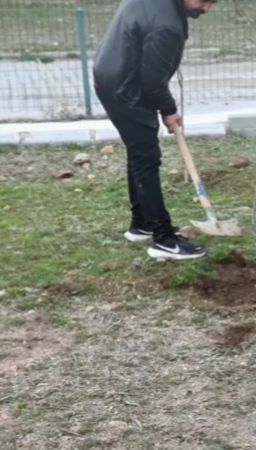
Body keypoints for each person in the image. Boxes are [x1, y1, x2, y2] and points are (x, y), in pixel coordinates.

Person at [93, 0, 216, 260]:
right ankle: (164, 239)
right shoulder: (167, 26)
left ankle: (142, 223)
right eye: (205, 1)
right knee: (146, 159)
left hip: (111, 76)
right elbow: (153, 82)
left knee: (139, 153)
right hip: (126, 88)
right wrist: (169, 110)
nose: (206, 9)